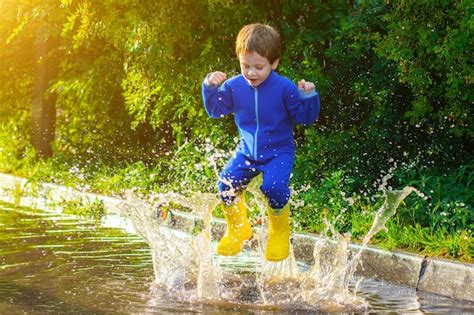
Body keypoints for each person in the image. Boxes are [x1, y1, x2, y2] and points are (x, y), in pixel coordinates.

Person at [202, 23, 320, 262]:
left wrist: (308, 97)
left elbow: (305, 118)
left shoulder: (284, 87)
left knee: (274, 187)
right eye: (245, 66)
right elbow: (215, 110)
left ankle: (279, 230)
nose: (251, 73)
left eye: (259, 67)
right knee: (226, 184)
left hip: (279, 153)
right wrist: (210, 88)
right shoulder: (234, 86)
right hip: (247, 153)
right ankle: (238, 228)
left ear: (274, 63)